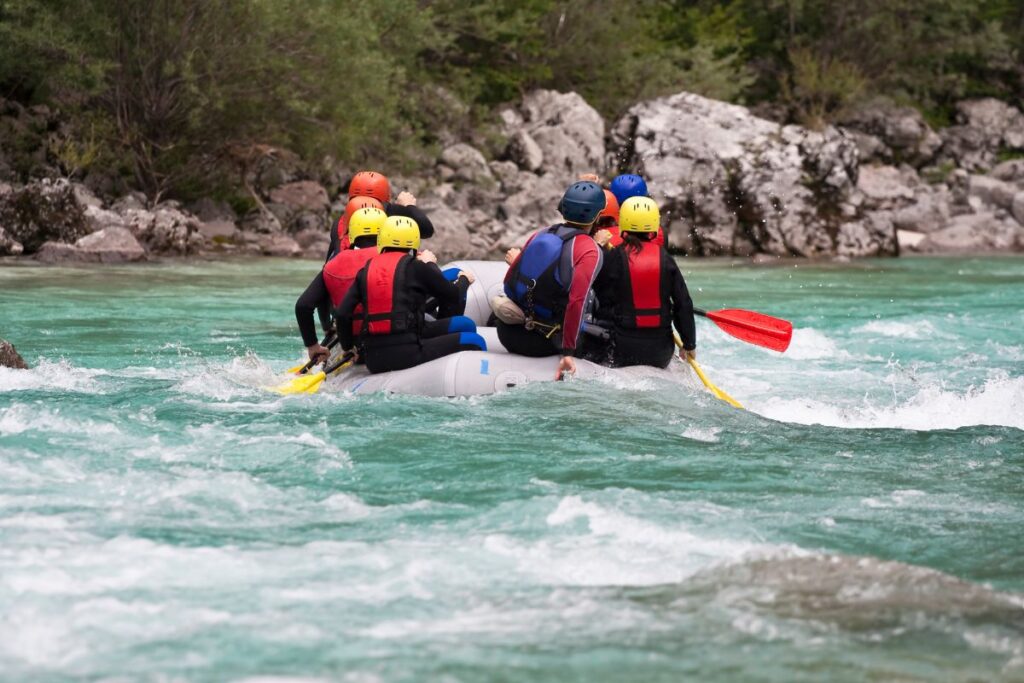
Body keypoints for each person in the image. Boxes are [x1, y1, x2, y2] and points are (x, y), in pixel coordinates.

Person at [334, 216, 486, 374]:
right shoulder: (417, 267)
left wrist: (348, 348)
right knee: (476, 341)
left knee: (465, 324)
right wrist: (464, 280)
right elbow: (453, 296)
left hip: (374, 358)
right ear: (414, 242)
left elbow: (342, 313)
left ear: (382, 239)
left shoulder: (365, 271)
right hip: (409, 352)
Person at [497, 181, 605, 379]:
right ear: (598, 216)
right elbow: (577, 302)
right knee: (603, 338)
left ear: (563, 209)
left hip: (506, 332)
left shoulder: (542, 233)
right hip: (544, 343)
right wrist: (568, 353)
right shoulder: (590, 250)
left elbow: (509, 279)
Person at [592, 197, 696, 368]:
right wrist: (689, 344)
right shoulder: (666, 259)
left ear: (623, 222)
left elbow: (598, 299)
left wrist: (598, 248)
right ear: (654, 225)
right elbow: (683, 304)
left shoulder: (613, 257)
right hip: (660, 353)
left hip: (621, 350)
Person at [296, 207, 388, 364]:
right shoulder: (395, 259)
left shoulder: (333, 265)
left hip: (353, 345)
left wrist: (313, 346)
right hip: (389, 342)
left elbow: (303, 306)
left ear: (351, 235)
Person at [325, 170, 436, 261]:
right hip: (377, 277)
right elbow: (427, 231)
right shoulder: (392, 211)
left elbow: (330, 259)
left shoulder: (340, 222)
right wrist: (409, 206)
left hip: (342, 276)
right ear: (386, 198)